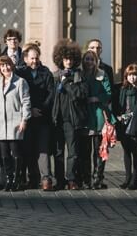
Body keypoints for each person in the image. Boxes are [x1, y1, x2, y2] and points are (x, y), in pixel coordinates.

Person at [16, 44, 58, 191]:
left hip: (43, 117)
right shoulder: (20, 73)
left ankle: (46, 179)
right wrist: (30, 110)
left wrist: (40, 109)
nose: (34, 61)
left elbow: (51, 93)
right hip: (27, 117)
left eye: (36, 58)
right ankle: (33, 178)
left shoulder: (46, 73)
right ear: (26, 59)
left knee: (43, 149)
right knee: (29, 149)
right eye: (31, 58)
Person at [50, 42, 91, 190]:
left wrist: (68, 84)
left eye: (71, 59)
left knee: (73, 152)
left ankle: (71, 179)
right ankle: (59, 180)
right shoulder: (54, 76)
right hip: (57, 118)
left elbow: (81, 95)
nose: (68, 61)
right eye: (66, 59)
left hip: (72, 120)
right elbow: (51, 98)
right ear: (61, 59)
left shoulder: (79, 76)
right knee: (58, 151)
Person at [0, 55, 31, 192]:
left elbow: (26, 101)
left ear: (12, 65)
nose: (5, 68)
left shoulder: (20, 82)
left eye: (7, 65)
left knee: (16, 152)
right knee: (4, 154)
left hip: (15, 122)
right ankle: (8, 179)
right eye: (2, 66)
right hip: (1, 123)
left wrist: (24, 119)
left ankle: (17, 179)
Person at [80, 50, 114, 189]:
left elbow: (108, 93)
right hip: (85, 116)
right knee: (85, 151)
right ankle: (86, 178)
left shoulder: (102, 74)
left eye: (91, 59)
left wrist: (98, 98)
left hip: (99, 115)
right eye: (87, 59)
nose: (89, 62)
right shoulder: (80, 75)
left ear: (96, 61)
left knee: (100, 149)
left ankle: (97, 178)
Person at [115, 64, 137, 190]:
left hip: (136, 125)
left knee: (135, 151)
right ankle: (127, 178)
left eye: (134, 75)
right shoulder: (122, 90)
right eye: (129, 75)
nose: (132, 77)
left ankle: (135, 179)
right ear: (126, 76)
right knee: (126, 151)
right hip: (123, 124)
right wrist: (119, 116)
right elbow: (118, 106)